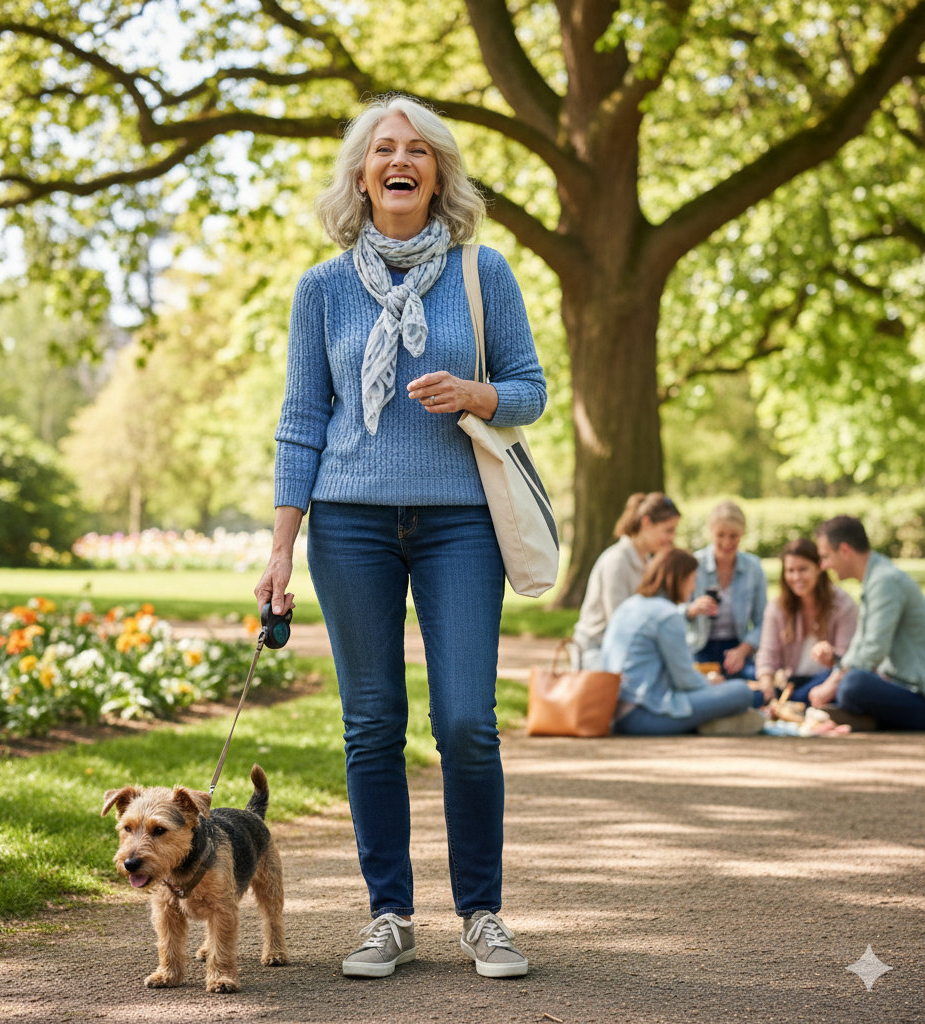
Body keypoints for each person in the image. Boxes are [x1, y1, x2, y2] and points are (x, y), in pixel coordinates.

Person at [255, 96, 546, 979]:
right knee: (372, 725)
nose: (401, 159)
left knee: (466, 723)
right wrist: (279, 548)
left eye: (418, 149)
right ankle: (389, 915)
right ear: (362, 175)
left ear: (438, 175)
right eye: (384, 147)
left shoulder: (481, 271)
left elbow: (531, 390)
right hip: (348, 524)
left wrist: (477, 394)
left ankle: (483, 914)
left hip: (462, 521)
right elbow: (303, 420)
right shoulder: (323, 288)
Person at [602, 548, 758, 735]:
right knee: (742, 691)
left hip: (613, 710)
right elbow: (684, 679)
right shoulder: (667, 615)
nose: (693, 588)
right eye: (693, 579)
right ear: (680, 578)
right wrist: (711, 685)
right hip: (643, 714)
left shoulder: (630, 605)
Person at [807, 516, 925, 730]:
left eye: (825, 557)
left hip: (917, 693)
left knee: (852, 685)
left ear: (844, 550)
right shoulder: (874, 579)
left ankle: (864, 718)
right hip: (897, 683)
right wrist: (834, 677)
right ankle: (861, 716)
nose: (823, 566)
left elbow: (873, 650)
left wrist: (833, 684)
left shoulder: (885, 581)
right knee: (834, 677)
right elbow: (858, 648)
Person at [570, 493, 708, 669]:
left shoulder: (648, 562)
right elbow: (619, 622)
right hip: (598, 652)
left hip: (625, 649)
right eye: (668, 530)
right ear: (646, 523)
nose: (672, 537)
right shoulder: (617, 561)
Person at [754, 538, 858, 706]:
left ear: (819, 567)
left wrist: (831, 656)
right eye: (790, 570)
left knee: (848, 684)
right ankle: (786, 703)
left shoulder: (843, 605)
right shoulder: (777, 607)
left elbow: (848, 661)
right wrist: (766, 683)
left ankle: (791, 703)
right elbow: (767, 653)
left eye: (803, 569)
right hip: (794, 682)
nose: (796, 577)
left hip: (829, 681)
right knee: (751, 688)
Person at [688, 501, 767, 680]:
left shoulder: (753, 568)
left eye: (734, 536)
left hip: (737, 646)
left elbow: (763, 621)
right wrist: (693, 609)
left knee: (756, 689)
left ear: (742, 534)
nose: (727, 542)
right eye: (720, 535)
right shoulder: (694, 565)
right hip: (699, 646)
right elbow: (673, 612)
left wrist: (744, 650)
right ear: (710, 532)